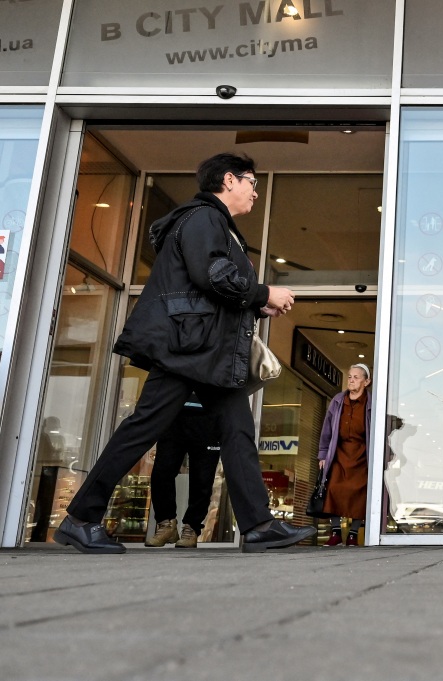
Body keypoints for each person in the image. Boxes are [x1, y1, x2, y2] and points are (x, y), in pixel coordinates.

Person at [54, 152, 315, 554]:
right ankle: (81, 518)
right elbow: (211, 274)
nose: (255, 193)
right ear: (229, 180)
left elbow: (210, 286)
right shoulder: (203, 218)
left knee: (237, 429)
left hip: (201, 348)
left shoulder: (212, 223)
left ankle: (259, 525)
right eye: (252, 183)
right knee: (143, 427)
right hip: (188, 349)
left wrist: (254, 304)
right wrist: (263, 293)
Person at [144, 397, 221, 549]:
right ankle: (166, 524)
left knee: (202, 478)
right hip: (174, 413)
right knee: (162, 471)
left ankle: (192, 527)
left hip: (209, 415)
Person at [317, 364, 372, 547]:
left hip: (361, 454)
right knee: (333, 489)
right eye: (350, 377)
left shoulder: (371, 403)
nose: (351, 380)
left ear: (367, 381)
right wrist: (323, 455)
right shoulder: (338, 400)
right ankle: (336, 533)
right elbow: (327, 429)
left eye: (356, 377)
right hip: (338, 452)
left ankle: (353, 535)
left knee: (359, 494)